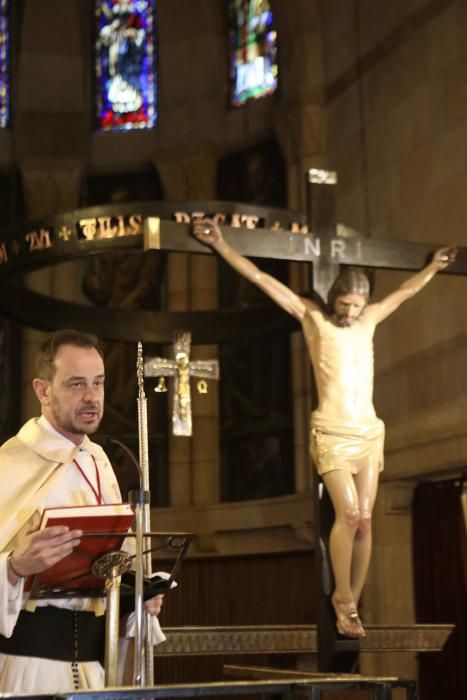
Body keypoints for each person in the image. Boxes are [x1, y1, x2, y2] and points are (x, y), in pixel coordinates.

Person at [193, 218, 456, 639]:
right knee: (348, 513)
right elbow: (261, 278)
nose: (350, 312)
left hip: (368, 430)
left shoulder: (370, 318)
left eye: (356, 305)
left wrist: (433, 268)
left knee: (367, 519)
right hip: (332, 431)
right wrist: (222, 245)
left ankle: (356, 598)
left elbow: (405, 293)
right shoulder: (312, 316)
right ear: (334, 298)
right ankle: (341, 599)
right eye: (345, 304)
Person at [0, 329, 165, 692]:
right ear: (42, 390)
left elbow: (109, 568)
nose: (92, 397)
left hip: (94, 668)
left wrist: (139, 595)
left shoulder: (99, 460)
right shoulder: (9, 465)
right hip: (31, 667)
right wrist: (15, 567)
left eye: (99, 383)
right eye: (76, 385)